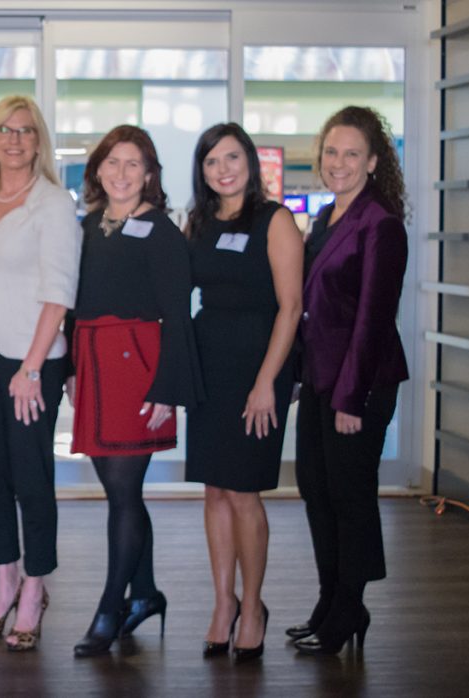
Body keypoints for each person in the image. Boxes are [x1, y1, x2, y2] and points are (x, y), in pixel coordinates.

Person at [67, 126, 204, 657]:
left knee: (123, 493)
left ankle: (110, 607)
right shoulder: (89, 228)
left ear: (149, 174)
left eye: (133, 164)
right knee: (120, 492)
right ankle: (144, 593)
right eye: (112, 162)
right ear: (98, 170)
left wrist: (167, 387)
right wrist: (73, 370)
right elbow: (75, 303)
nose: (121, 173)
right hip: (94, 362)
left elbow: (177, 313)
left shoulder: (163, 231)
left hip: (140, 369)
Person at [0, 95, 82, 652]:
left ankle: (35, 589)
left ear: (39, 142)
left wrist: (32, 368)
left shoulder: (53, 204)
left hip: (29, 359)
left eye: (26, 131)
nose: (14, 139)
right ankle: (5, 580)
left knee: (32, 478)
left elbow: (59, 293)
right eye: (4, 130)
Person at [290, 106, 409, 655]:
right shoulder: (327, 216)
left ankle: (349, 610)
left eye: (352, 154)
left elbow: (373, 319)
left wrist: (351, 398)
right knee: (316, 491)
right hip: (319, 379)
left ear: (374, 161)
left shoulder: (381, 223)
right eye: (332, 152)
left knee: (350, 497)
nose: (339, 163)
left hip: (358, 386)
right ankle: (329, 601)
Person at [184, 122, 303, 662]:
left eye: (232, 157)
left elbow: (291, 307)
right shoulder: (200, 222)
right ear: (202, 171)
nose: (223, 169)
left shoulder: (275, 220)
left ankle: (252, 606)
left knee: (244, 493)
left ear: (250, 162)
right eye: (211, 161)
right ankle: (222, 604)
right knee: (214, 490)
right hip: (210, 365)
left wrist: (266, 384)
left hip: (258, 365)